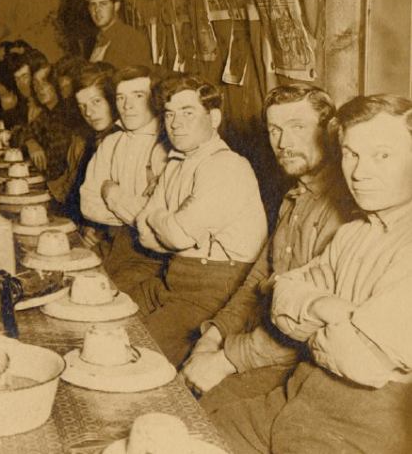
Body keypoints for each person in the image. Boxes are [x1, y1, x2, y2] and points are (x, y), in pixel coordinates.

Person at [212, 94, 412, 454]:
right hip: (298, 399)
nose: (360, 171)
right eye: (352, 154)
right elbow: (281, 290)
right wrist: (329, 309)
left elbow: (362, 363)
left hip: (366, 426)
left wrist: (309, 315)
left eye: (382, 155)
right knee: (189, 429)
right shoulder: (354, 232)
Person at [181, 84, 354, 407]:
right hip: (259, 342)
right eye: (275, 129)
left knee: (195, 412)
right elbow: (254, 283)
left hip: (297, 361)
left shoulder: (345, 210)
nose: (283, 143)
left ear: (329, 131)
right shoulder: (295, 197)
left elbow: (311, 327)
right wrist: (213, 337)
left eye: (298, 127)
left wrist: (226, 360)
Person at [135, 73, 267, 366]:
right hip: (173, 279)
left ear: (215, 117)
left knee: (136, 354)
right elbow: (144, 233)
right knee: (109, 315)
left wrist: (159, 217)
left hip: (216, 292)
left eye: (188, 112)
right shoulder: (176, 161)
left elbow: (176, 236)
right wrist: (168, 223)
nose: (176, 123)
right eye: (169, 114)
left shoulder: (227, 166)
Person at [79, 66, 168, 297]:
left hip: (151, 259)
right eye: (121, 98)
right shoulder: (112, 142)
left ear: (155, 100)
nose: (127, 106)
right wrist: (131, 213)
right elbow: (87, 204)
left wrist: (110, 194)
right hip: (111, 243)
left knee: (98, 299)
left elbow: (156, 225)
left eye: (138, 96)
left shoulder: (166, 145)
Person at [58, 62, 116, 215]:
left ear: (112, 99)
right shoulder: (93, 139)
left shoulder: (123, 141)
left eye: (96, 101)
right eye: (82, 106)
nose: (88, 112)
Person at [20, 58, 74, 184]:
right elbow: (21, 132)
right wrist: (31, 142)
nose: (39, 88)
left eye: (44, 82)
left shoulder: (67, 115)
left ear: (56, 84)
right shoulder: (46, 113)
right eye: (35, 83)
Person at [86, 0, 152, 68]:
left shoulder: (132, 39)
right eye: (93, 5)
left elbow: (141, 78)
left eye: (103, 4)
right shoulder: (96, 41)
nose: (97, 10)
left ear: (116, 6)